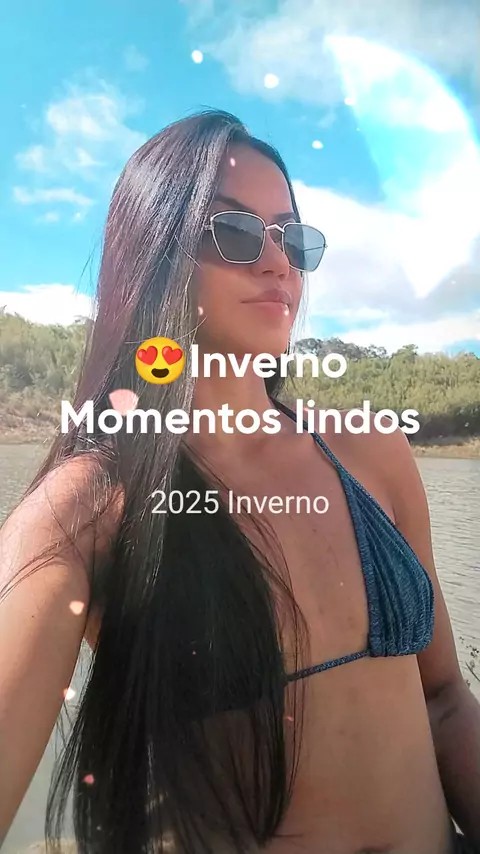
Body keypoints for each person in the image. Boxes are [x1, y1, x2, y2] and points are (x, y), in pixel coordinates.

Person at [0, 108, 479, 854]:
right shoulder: (90, 507)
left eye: (292, 237)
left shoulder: (371, 450)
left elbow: (445, 698)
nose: (278, 262)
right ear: (154, 256)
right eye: (235, 232)